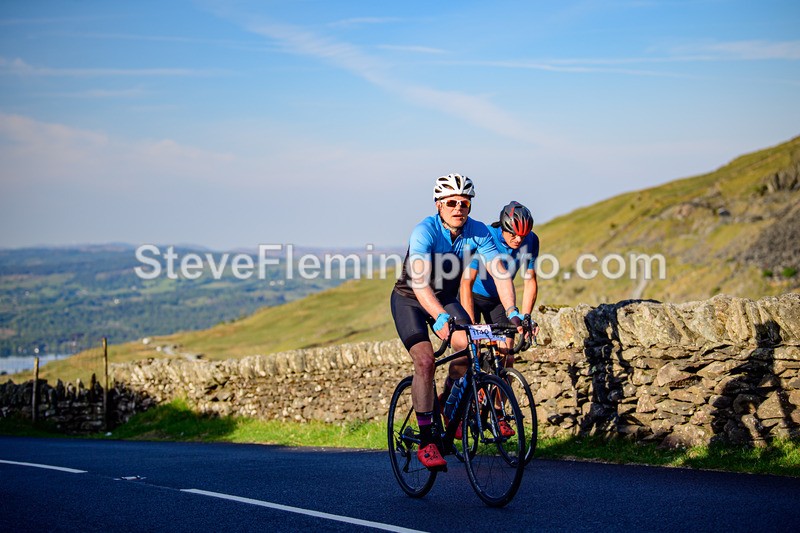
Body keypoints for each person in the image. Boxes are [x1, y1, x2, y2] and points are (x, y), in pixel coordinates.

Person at [390, 174, 524, 471]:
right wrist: (439, 317)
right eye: (451, 202)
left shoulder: (477, 231)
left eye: (464, 203)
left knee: (470, 346)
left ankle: (451, 410)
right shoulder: (424, 231)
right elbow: (421, 284)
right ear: (439, 205)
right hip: (411, 298)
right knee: (424, 361)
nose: (458, 208)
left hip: (446, 297)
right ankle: (426, 441)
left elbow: (500, 272)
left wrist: (513, 310)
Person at [460, 201, 540, 363]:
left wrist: (525, 318)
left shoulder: (531, 240)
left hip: (499, 300)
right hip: (472, 296)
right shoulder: (486, 237)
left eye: (523, 236)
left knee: (506, 356)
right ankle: (455, 385)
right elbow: (466, 283)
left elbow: (530, 280)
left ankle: (498, 385)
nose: (518, 240)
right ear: (503, 228)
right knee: (468, 353)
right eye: (514, 235)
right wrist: (472, 324)